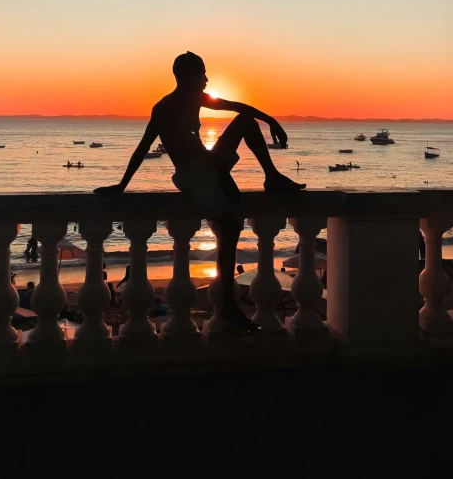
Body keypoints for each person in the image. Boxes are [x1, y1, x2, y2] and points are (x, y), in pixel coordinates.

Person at [95, 51, 305, 334]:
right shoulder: (164, 107)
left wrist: (270, 120)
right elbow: (143, 146)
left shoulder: (197, 99)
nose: (206, 79)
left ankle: (272, 177)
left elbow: (236, 105)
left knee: (246, 121)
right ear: (188, 76)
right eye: (202, 73)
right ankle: (228, 306)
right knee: (229, 226)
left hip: (209, 163)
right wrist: (121, 185)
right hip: (193, 174)